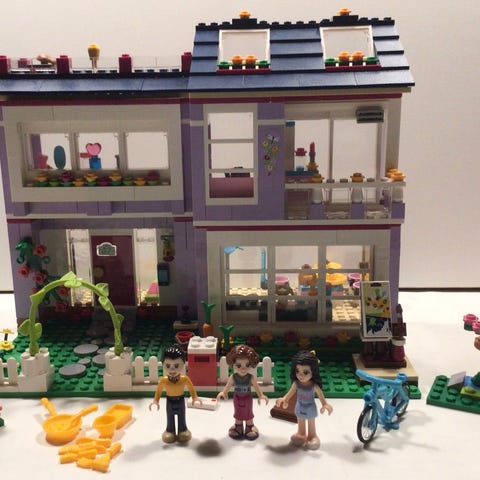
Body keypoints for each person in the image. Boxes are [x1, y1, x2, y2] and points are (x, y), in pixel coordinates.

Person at [275, 350, 332, 450]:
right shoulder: (296, 383)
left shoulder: (314, 385)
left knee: (311, 422)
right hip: (299, 405)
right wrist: (285, 399)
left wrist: (325, 404)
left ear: (313, 371)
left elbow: (320, 395)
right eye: (298, 371)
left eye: (305, 372)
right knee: (300, 421)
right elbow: (290, 393)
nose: (300, 375)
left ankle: (312, 436)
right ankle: (301, 434)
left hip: (310, 407)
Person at [149, 344, 201, 443]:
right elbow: (159, 391)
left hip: (181, 400)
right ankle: (170, 430)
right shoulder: (163, 380)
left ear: (183, 364)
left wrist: (195, 397)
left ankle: (183, 430)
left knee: (182, 417)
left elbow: (191, 388)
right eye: (168, 366)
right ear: (163, 364)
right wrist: (156, 401)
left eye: (176, 366)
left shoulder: (184, 379)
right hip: (169, 401)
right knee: (170, 417)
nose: (172, 370)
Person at [217, 344, 269, 440]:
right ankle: (238, 426)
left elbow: (256, 387)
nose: (243, 369)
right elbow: (228, 386)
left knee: (248, 413)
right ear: (232, 364)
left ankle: (250, 426)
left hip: (247, 398)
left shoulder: (250, 377)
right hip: (237, 398)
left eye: (247, 365)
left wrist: (261, 395)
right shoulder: (233, 377)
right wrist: (223, 392)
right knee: (238, 413)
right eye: (238, 365)